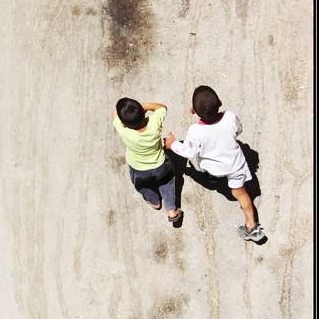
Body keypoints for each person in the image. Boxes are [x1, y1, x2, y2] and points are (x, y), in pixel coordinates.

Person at [164, 85, 265, 242]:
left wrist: (172, 144)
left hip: (213, 167)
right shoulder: (230, 117)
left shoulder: (195, 131)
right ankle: (251, 226)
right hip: (235, 165)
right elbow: (238, 130)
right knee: (241, 194)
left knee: (204, 161)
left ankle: (212, 178)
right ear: (220, 102)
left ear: (193, 110)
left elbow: (189, 153)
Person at [112, 98, 183, 224]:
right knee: (167, 182)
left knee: (143, 186)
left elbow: (114, 113)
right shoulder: (154, 123)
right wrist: (144, 105)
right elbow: (162, 107)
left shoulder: (124, 130)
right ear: (143, 112)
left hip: (138, 168)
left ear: (123, 123)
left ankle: (154, 201)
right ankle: (171, 210)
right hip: (161, 164)